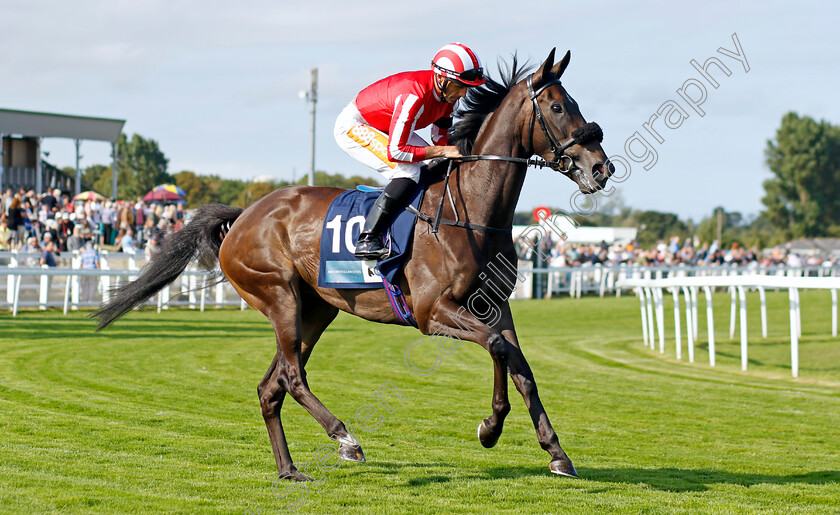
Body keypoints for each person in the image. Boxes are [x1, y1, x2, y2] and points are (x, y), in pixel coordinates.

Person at [334, 43, 485, 259]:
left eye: (467, 87)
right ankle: (368, 238)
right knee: (409, 172)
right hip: (355, 125)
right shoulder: (414, 96)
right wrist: (442, 152)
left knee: (432, 164)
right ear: (442, 79)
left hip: (385, 127)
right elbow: (396, 152)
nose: (463, 93)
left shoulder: (447, 97)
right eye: (460, 86)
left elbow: (439, 138)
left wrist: (457, 153)